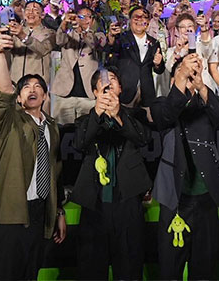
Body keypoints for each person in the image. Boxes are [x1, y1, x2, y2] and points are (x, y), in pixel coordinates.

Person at [0, 29, 66, 280]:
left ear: (45, 95)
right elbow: (2, 95)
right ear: (18, 98)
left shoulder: (52, 127)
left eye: (38, 86)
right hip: (11, 213)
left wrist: (58, 212)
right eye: (26, 87)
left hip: (40, 213)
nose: (32, 89)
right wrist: (0, 54)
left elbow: (54, 171)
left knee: (29, 273)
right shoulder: (8, 121)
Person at [149, 54, 219, 280]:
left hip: (206, 197)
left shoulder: (205, 104)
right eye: (184, 74)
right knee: (170, 267)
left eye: (192, 75)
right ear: (174, 80)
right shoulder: (161, 104)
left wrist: (202, 87)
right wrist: (181, 77)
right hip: (175, 198)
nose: (189, 78)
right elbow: (167, 115)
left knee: (204, 267)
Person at [70, 67, 151, 280]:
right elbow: (79, 143)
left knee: (129, 266)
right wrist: (98, 113)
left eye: (113, 79)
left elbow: (143, 139)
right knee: (92, 268)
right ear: (95, 92)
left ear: (120, 88)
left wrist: (118, 116)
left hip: (127, 203)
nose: (108, 83)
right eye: (102, 81)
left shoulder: (135, 115)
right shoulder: (85, 121)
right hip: (95, 204)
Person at [51, 8, 106, 124]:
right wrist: (64, 23)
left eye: (88, 16)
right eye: (80, 16)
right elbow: (59, 40)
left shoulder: (99, 36)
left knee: (87, 129)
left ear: (92, 20)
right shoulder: (69, 34)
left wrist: (84, 32)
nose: (84, 19)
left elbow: (94, 44)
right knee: (62, 129)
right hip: (65, 93)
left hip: (88, 95)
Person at [107, 4, 166, 106]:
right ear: (130, 20)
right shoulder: (121, 39)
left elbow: (160, 70)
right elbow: (110, 60)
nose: (140, 20)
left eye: (144, 17)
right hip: (126, 91)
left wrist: (158, 64)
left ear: (148, 22)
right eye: (136, 17)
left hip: (147, 93)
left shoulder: (154, 42)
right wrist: (111, 40)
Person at [7, 0, 56, 113]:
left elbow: (43, 49)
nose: (30, 12)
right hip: (15, 84)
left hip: (37, 86)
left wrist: (23, 36)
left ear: (42, 15)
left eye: (35, 10)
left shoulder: (50, 33)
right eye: (28, 10)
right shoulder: (14, 32)